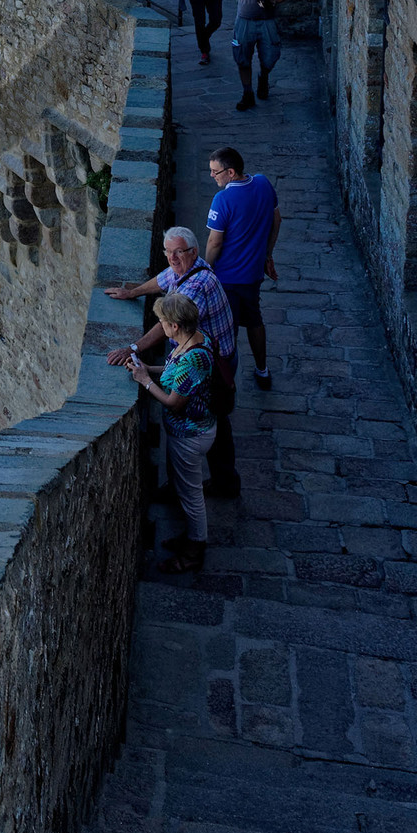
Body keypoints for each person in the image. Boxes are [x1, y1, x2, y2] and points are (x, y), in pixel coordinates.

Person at [106, 224, 240, 498]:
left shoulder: (196, 285)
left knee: (212, 419)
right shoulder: (187, 267)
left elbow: (170, 322)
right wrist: (133, 293)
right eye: (168, 252)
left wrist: (133, 347)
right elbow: (163, 279)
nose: (172, 258)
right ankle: (200, 481)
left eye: (178, 253)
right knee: (212, 418)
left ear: (193, 251)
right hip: (206, 356)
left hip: (214, 363)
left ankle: (218, 483)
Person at [122, 290, 216, 572]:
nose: (160, 326)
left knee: (191, 496)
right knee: (184, 488)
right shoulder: (193, 340)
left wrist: (143, 381)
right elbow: (175, 369)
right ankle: (190, 538)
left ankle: (194, 549)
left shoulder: (193, 359)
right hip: (191, 432)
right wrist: (148, 368)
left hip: (190, 436)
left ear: (174, 326)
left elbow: (175, 403)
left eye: (162, 322)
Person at [204, 144, 280, 392]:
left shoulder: (223, 199)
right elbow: (276, 220)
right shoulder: (263, 183)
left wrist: (206, 268)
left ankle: (226, 383)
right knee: (255, 321)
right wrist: (267, 255)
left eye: (216, 172)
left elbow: (215, 241)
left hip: (227, 277)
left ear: (231, 172)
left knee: (227, 331)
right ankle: (262, 370)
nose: (212, 176)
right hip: (253, 274)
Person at [231, 0, 289, 109]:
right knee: (242, 58)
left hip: (266, 21)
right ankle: (247, 93)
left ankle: (263, 76)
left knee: (270, 56)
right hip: (244, 21)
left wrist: (272, 0)